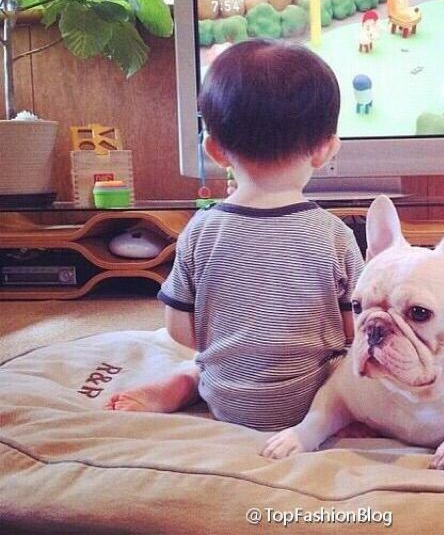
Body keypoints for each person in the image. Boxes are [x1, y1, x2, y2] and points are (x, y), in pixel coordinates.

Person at [106, 38, 364, 431]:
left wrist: (240, 345)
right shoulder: (335, 235)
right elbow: (354, 329)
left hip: (225, 397)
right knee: (355, 361)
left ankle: (188, 382)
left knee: (205, 359)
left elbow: (180, 332)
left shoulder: (200, 230)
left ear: (215, 150)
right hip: (314, 402)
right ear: (326, 149)